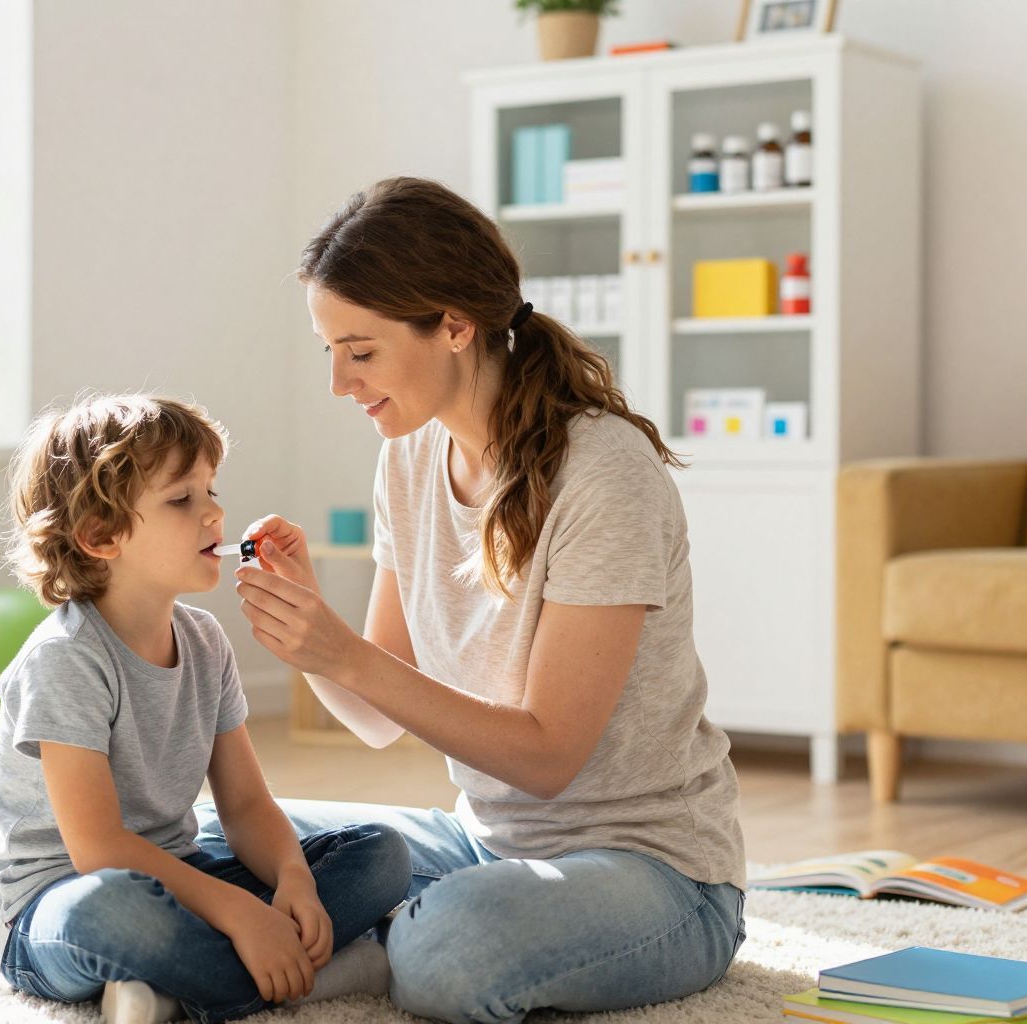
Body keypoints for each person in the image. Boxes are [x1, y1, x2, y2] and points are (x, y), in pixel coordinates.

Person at [219, 177, 747, 1023]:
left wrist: (343, 654)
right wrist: (307, 628)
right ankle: (335, 941)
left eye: (360, 351)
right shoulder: (408, 458)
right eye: (329, 352)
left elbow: (548, 758)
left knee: (452, 949)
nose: (338, 383)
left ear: (455, 325)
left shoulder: (604, 474)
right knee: (218, 838)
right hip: (482, 846)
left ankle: (347, 955)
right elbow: (376, 716)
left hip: (653, 872)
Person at [0, 393, 411, 1024]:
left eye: (211, 490)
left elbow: (245, 806)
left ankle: (183, 988)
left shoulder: (204, 639)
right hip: (58, 902)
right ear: (100, 536)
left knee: (383, 854)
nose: (215, 513)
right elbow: (97, 849)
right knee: (117, 912)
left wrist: (293, 879)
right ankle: (329, 973)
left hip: (182, 874)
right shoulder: (66, 660)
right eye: (182, 499)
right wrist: (238, 912)